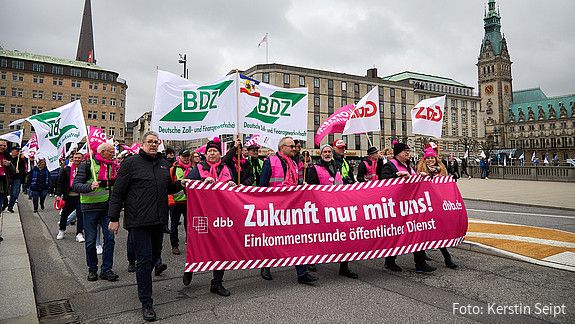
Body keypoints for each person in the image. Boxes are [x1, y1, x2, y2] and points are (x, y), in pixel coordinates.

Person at [108, 132, 182, 321]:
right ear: (142, 144)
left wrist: (183, 183)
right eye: (149, 142)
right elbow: (118, 192)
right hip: (138, 221)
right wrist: (114, 218)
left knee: (153, 257)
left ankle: (144, 281)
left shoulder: (164, 164)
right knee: (144, 259)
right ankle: (146, 302)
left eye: (156, 142)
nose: (153, 145)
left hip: (158, 221)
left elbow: (169, 188)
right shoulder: (130, 163)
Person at [259, 136, 318, 284]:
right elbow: (262, 186)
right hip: (274, 208)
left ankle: (302, 273)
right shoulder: (270, 162)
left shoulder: (294, 163)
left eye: (294, 146)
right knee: (271, 239)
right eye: (291, 146)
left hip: (292, 207)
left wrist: (301, 184)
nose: (294, 148)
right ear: (282, 148)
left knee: (297, 239)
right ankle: (266, 266)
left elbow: (295, 183)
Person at [182, 139, 236, 296]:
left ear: (220, 153)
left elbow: (232, 191)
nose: (212, 153)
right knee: (197, 244)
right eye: (210, 151)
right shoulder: (198, 168)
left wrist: (232, 185)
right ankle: (190, 268)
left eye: (215, 151)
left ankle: (217, 283)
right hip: (201, 215)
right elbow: (188, 188)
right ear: (205, 154)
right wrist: (202, 182)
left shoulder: (226, 168)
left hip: (221, 216)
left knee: (221, 249)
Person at [381, 142, 436, 274]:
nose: (407, 153)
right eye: (404, 151)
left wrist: (420, 177)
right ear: (398, 153)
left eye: (408, 150)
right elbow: (383, 182)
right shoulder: (390, 165)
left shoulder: (409, 166)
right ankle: (389, 261)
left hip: (410, 205)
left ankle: (420, 263)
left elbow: (412, 181)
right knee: (397, 235)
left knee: (416, 231)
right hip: (397, 206)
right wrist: (396, 176)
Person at [306, 144, 359, 279]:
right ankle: (311, 261)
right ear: (321, 154)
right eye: (325, 151)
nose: (328, 153)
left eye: (330, 151)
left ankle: (344, 266)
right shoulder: (314, 168)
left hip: (337, 206)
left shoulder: (337, 167)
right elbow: (312, 190)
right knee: (318, 236)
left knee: (343, 235)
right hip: (321, 208)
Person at [73, 143, 119, 282]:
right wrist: (89, 186)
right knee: (91, 241)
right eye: (111, 152)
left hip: (107, 208)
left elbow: (113, 184)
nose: (113, 154)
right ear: (103, 152)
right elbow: (76, 185)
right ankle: (92, 269)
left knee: (110, 239)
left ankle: (106, 269)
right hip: (89, 208)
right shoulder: (87, 164)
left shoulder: (112, 165)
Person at [416, 148, 458, 269]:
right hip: (426, 205)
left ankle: (447, 257)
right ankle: (428, 255)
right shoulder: (420, 171)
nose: (430, 160)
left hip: (438, 205)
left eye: (432, 158)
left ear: (436, 159)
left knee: (439, 231)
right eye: (428, 158)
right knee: (425, 231)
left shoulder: (441, 170)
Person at [55, 152, 85, 242]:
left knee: (80, 215)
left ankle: (79, 233)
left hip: (80, 196)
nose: (77, 159)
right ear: (72, 158)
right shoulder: (66, 169)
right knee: (64, 214)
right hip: (68, 196)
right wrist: (58, 194)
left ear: (82, 159)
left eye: (79, 158)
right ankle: (61, 230)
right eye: (75, 157)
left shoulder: (84, 169)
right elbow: (60, 182)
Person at [169, 149, 192, 255]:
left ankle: (190, 242)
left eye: (188, 156)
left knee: (189, 224)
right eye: (184, 156)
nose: (186, 158)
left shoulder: (192, 168)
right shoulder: (174, 169)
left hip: (188, 201)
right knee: (174, 224)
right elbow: (169, 184)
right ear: (180, 157)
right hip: (176, 201)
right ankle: (174, 246)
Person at [6, 147, 26, 213]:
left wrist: (19, 172)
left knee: (14, 194)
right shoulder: (7, 158)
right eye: (15, 151)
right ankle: (4, 204)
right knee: (4, 193)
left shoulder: (20, 160)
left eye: (17, 151)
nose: (16, 152)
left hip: (17, 179)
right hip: (8, 178)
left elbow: (23, 170)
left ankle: (10, 206)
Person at [0, 140, 14, 213]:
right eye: (1, 145)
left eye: (4, 145)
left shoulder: (7, 156)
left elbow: (13, 171)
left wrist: (9, 164)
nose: (2, 147)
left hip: (3, 185)